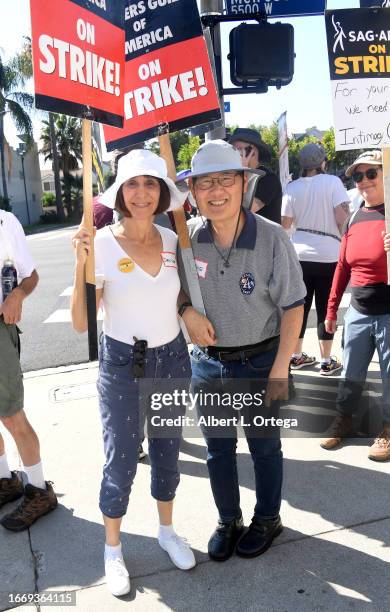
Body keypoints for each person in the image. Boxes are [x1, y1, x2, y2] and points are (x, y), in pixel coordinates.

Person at [71, 149, 196, 598]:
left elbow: (183, 297)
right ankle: (112, 547)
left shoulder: (171, 238)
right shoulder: (100, 242)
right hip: (123, 366)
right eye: (132, 184)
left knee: (167, 452)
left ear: (162, 191)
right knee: (122, 459)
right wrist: (80, 262)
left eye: (151, 184)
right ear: (120, 192)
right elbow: (83, 322)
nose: (142, 193)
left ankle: (166, 531)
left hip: (172, 359)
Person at [177, 140, 306, 561]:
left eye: (225, 180)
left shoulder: (272, 238)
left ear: (244, 184)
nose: (216, 191)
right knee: (217, 450)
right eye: (205, 183)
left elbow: (293, 308)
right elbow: (176, 291)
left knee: (265, 447)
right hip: (208, 365)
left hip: (261, 360)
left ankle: (268, 518)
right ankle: (228, 518)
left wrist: (280, 369)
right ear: (193, 192)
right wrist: (185, 312)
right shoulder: (187, 239)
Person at [323, 150, 390, 461]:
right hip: (359, 311)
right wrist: (332, 309)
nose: (364, 182)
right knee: (351, 372)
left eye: (371, 174)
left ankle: (388, 429)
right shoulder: (354, 216)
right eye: (358, 176)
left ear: (385, 173)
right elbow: (342, 266)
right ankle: (344, 418)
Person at [0, 211, 57, 531]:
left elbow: (30, 275)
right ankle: (6, 480)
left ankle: (38, 489)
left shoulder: (4, 222)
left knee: (11, 414)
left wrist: (17, 294)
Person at [281, 142, 350, 375]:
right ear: (322, 162)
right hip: (329, 253)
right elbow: (342, 216)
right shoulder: (333, 182)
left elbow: (286, 224)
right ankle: (326, 361)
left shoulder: (292, 187)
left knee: (300, 307)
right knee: (325, 307)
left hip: (299, 254)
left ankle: (296, 356)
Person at [229, 127, 283, 223]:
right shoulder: (238, 175)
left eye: (237, 150)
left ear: (252, 151)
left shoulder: (268, 178)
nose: (234, 154)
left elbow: (243, 210)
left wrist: (243, 172)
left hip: (266, 237)